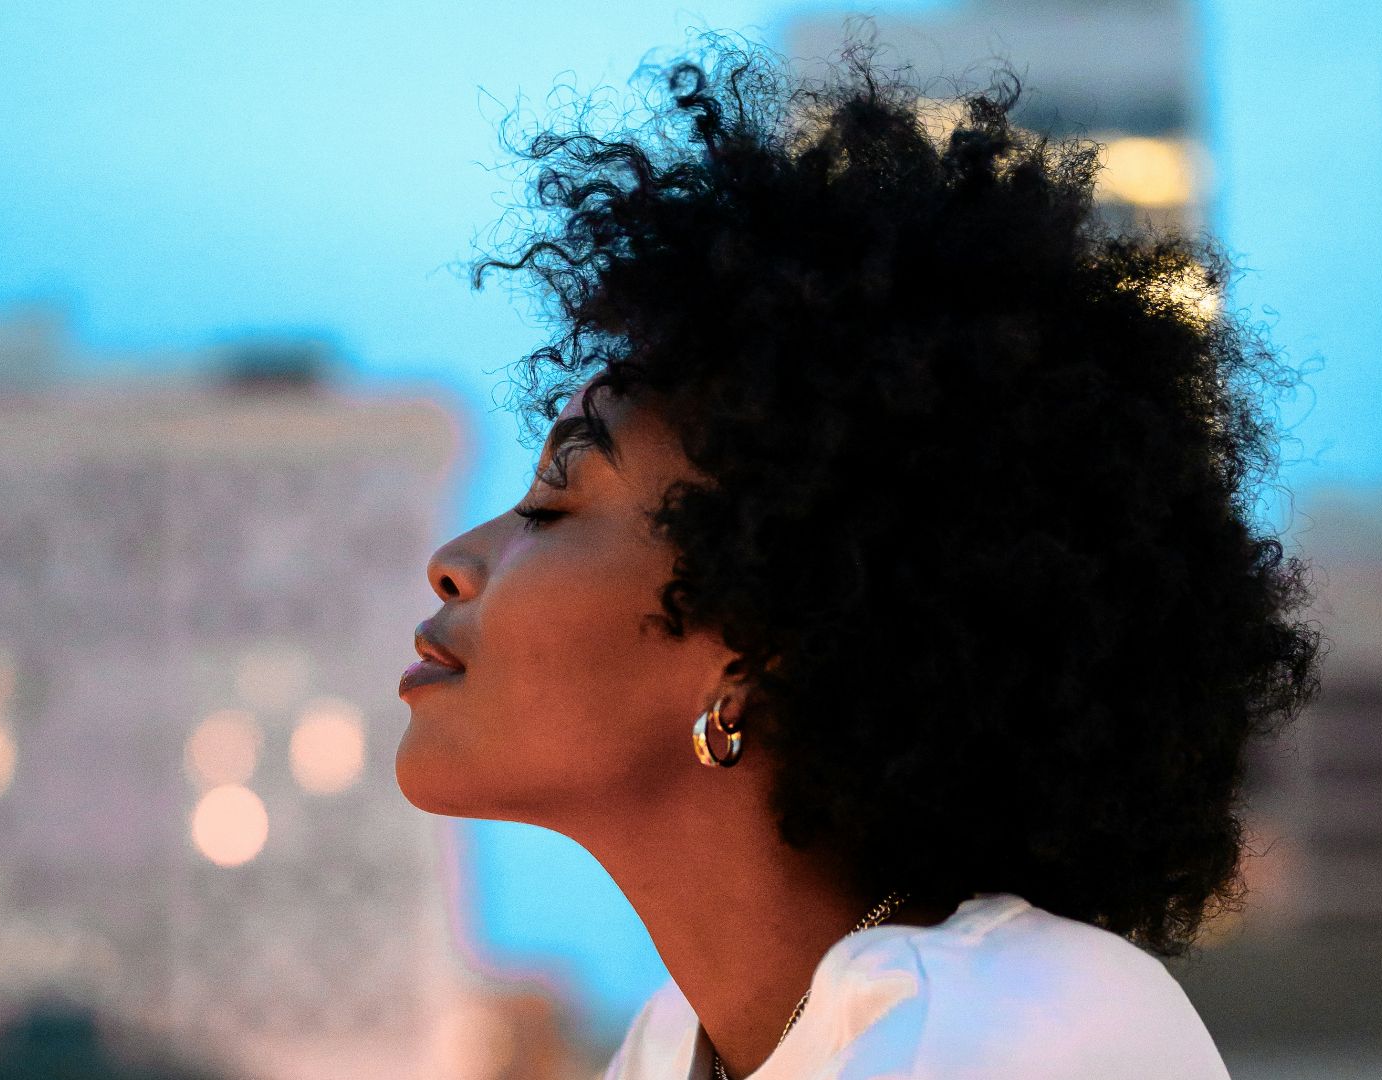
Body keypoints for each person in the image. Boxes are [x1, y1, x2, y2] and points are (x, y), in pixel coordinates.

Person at [394, 32, 1323, 1080]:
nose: (453, 561)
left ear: (759, 637)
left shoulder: (1036, 1029)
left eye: (552, 503)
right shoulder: (674, 1046)